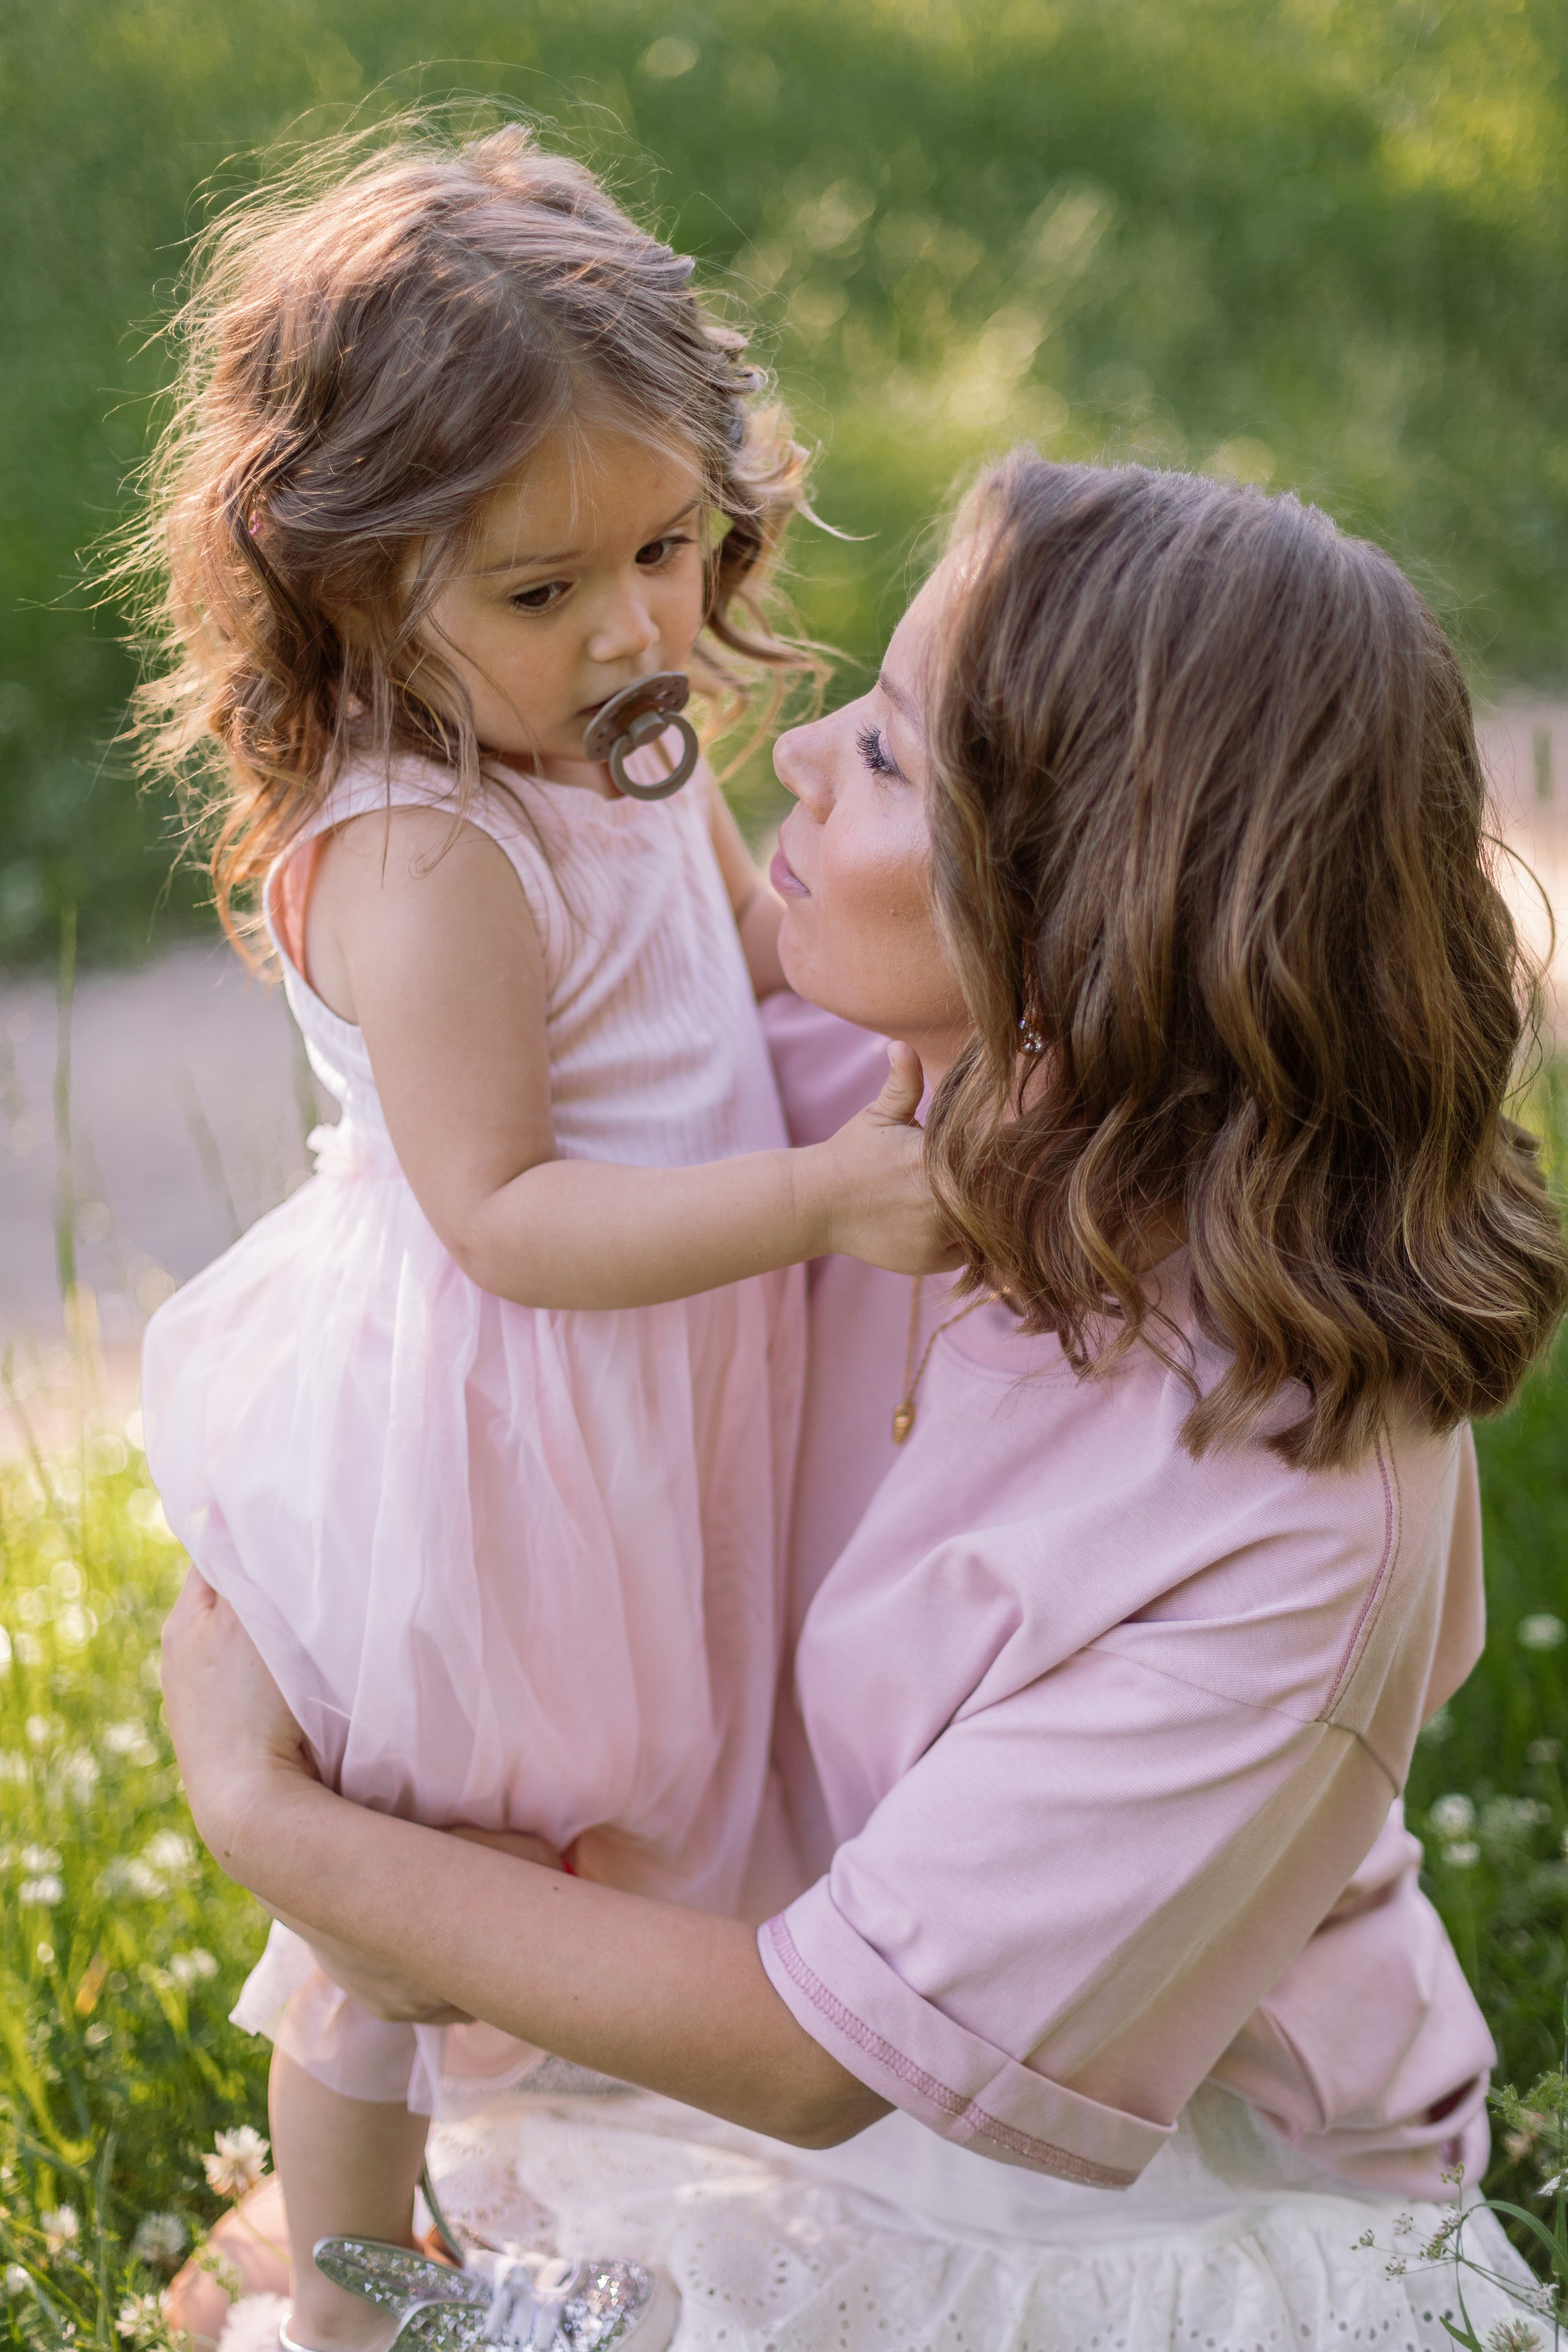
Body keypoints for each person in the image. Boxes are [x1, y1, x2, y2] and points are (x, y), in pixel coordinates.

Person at [163, 453, 1567, 2352]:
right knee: (286, 2289)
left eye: (895, 755)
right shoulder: (823, 1093)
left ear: (1092, 903)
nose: (806, 756)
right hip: (761, 1989)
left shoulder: (1296, 1496)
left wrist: (276, 1824)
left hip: (1126, 2171)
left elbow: (817, 2060)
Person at [130, 125, 944, 2352]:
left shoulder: (614, 735)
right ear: (349, 582)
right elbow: (498, 1214)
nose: (633, 627)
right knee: (411, 1906)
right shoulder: (430, 853)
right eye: (540, 590)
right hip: (492, 1441)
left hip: (649, 1395)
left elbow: (730, 972)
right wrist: (821, 1198)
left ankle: (519, 2190)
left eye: (668, 548)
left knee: (621, 1840)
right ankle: (357, 2296)